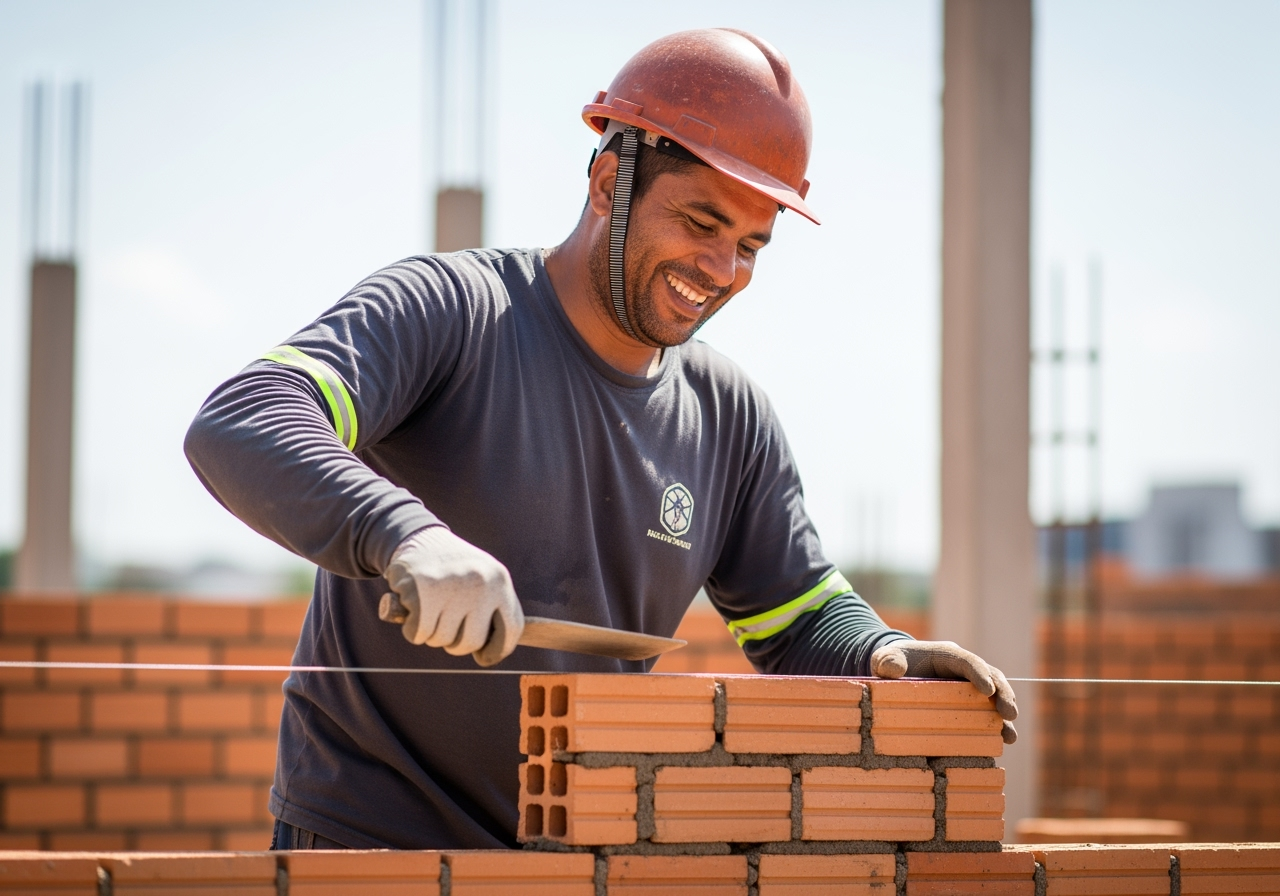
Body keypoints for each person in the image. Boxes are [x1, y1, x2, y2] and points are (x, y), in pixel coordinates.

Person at [185, 28, 1018, 851]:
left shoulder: (728, 415)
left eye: (751, 246)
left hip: (575, 854)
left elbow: (798, 614)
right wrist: (407, 536)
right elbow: (245, 417)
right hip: (372, 849)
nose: (722, 268)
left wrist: (884, 652)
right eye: (701, 222)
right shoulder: (454, 310)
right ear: (610, 182)